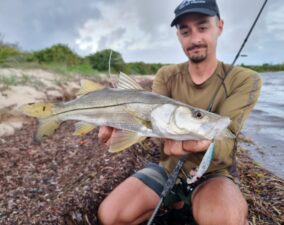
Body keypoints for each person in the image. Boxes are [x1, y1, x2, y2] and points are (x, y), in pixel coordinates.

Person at [97, 0, 262, 224]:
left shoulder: (245, 79)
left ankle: (202, 198)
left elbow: (228, 136)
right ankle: (174, 198)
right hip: (168, 169)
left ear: (219, 26)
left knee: (223, 219)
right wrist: (122, 125)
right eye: (185, 31)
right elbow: (153, 131)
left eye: (203, 27)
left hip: (214, 172)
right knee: (111, 215)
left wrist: (202, 144)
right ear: (178, 35)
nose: (194, 39)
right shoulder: (166, 75)